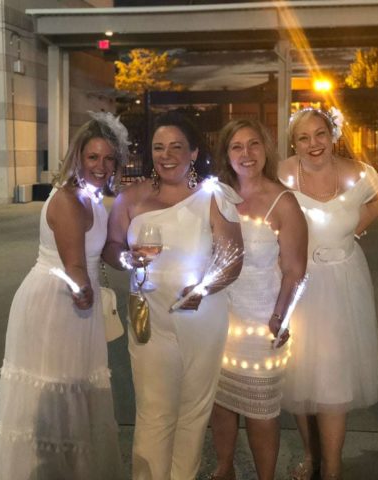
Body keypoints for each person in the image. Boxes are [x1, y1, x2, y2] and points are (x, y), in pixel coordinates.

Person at [102, 111, 244, 480]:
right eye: (159, 147)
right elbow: (112, 247)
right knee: (153, 408)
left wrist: (203, 289)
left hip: (201, 315)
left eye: (177, 147)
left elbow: (232, 260)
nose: (167, 155)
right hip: (147, 314)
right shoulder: (131, 197)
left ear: (194, 153)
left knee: (194, 410)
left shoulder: (213, 197)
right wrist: (124, 257)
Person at [0, 112, 130, 480]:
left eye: (108, 158)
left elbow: (101, 254)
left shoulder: (94, 199)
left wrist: (131, 258)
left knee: (76, 394)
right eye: (93, 158)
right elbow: (75, 265)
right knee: (56, 395)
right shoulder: (69, 200)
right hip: (54, 304)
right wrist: (86, 293)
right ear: (77, 158)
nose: (101, 166)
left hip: (77, 304)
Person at [278, 107, 378, 480]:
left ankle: (333, 468)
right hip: (300, 283)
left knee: (333, 376)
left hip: (343, 283)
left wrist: (353, 230)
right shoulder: (283, 174)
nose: (313, 144)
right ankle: (311, 455)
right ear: (294, 143)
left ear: (333, 134)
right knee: (300, 373)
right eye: (304, 138)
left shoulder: (358, 172)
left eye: (320, 134)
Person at [209, 119, 308, 480]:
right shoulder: (216, 196)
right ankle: (224, 469)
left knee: (260, 410)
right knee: (220, 404)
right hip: (218, 318)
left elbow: (296, 270)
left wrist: (281, 316)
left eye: (254, 145)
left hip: (262, 321)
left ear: (266, 150)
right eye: (237, 146)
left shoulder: (283, 202)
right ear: (226, 154)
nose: (246, 154)